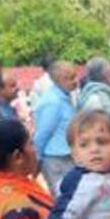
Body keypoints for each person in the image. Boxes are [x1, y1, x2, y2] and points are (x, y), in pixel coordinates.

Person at [33, 61, 80, 192]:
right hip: (56, 160)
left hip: (67, 156)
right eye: (70, 78)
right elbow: (42, 135)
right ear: (59, 80)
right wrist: (37, 160)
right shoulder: (52, 102)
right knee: (64, 198)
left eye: (75, 76)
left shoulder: (64, 96)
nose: (75, 81)